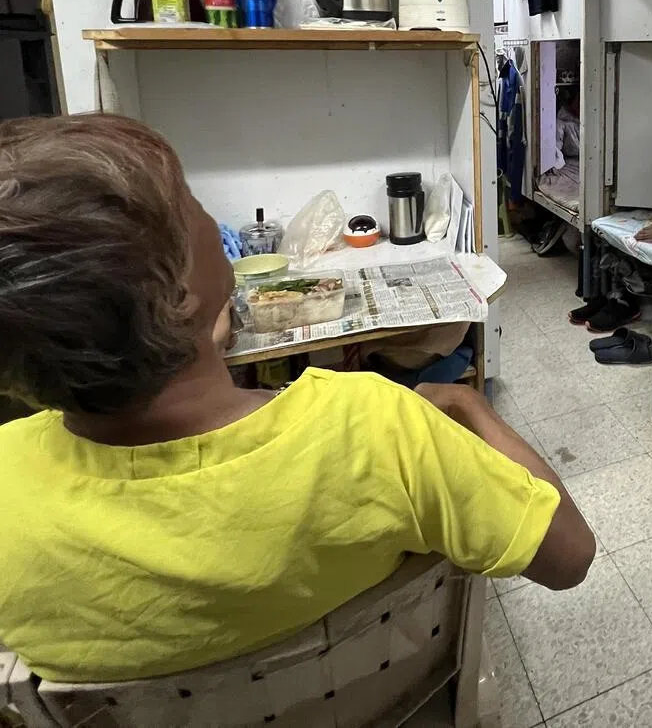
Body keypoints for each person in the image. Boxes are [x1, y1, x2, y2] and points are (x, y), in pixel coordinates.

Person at [0, 114, 595, 683]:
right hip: (384, 698)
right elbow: (571, 556)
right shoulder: (373, 426)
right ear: (178, 294)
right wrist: (470, 406)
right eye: (191, 202)